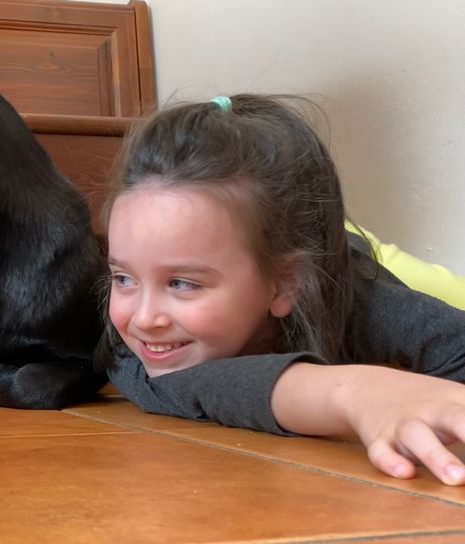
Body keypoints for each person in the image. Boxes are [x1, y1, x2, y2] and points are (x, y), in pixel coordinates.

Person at [101, 94, 465, 485]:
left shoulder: (364, 303)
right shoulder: (127, 341)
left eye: (182, 283)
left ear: (285, 284)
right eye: (123, 278)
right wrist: (353, 391)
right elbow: (171, 387)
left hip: (364, 261)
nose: (143, 319)